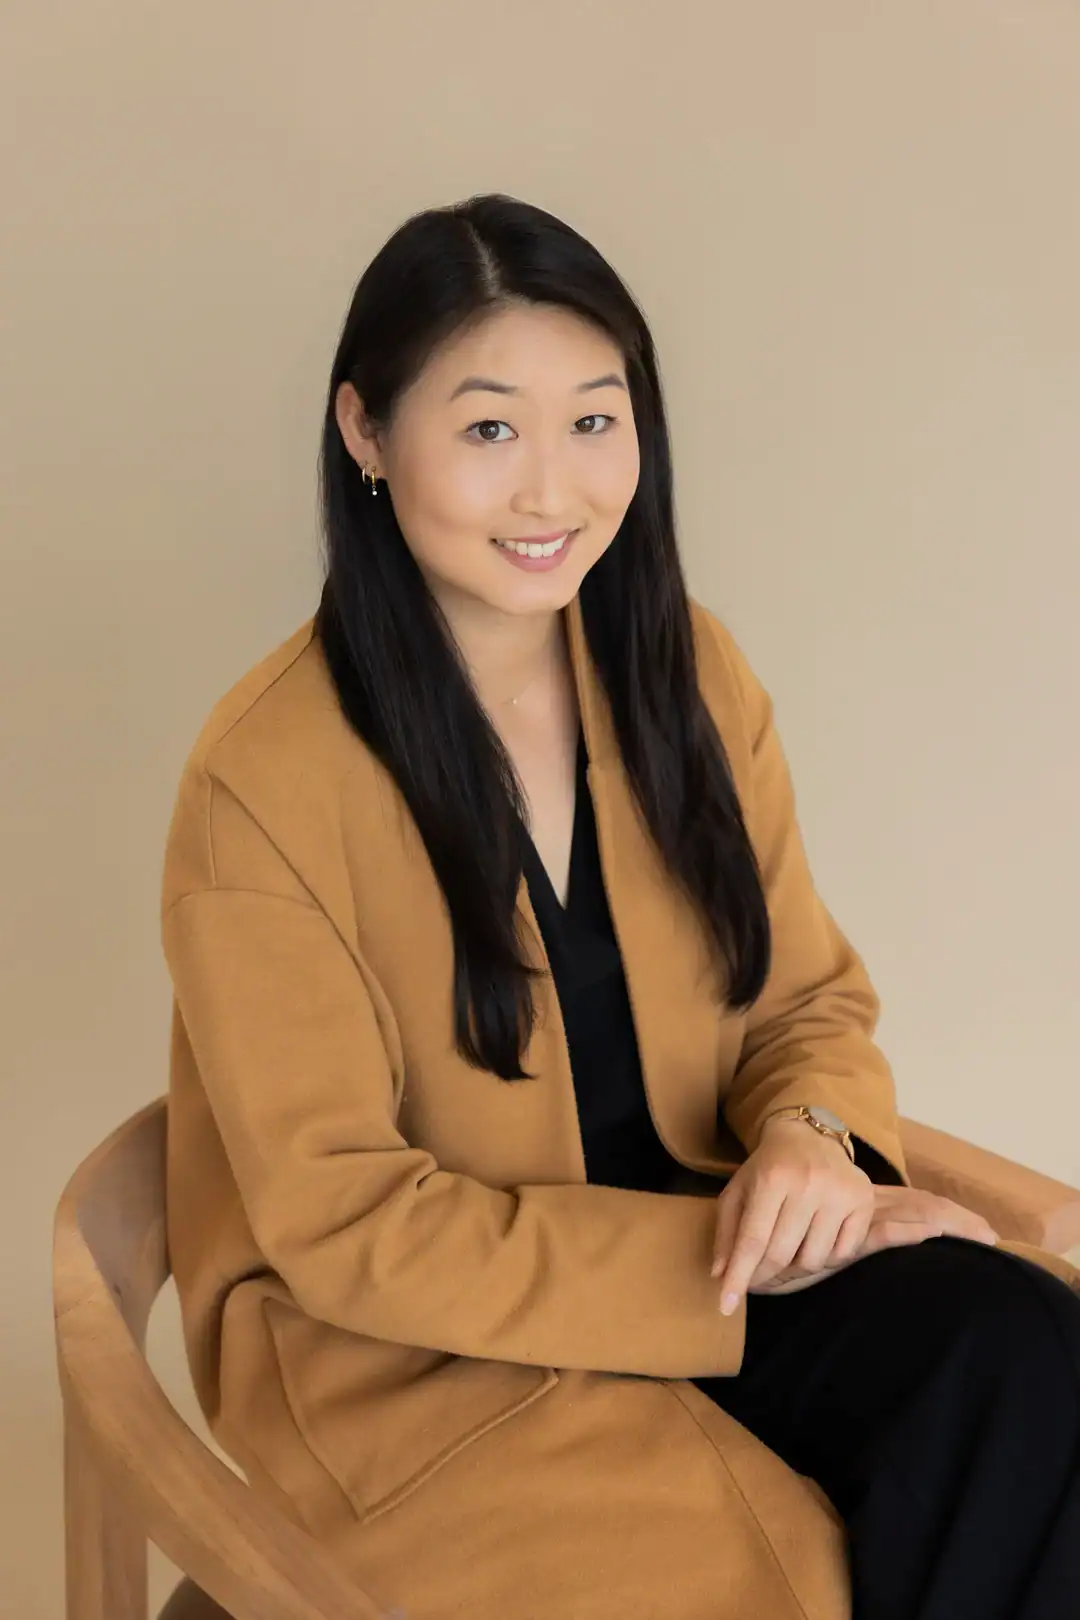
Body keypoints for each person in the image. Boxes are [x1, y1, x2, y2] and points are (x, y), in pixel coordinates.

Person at [161, 193, 1080, 1620]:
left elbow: (804, 1004)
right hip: (417, 1351)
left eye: (595, 420)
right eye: (488, 429)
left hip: (716, 1244)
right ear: (364, 433)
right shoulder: (262, 782)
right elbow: (344, 1223)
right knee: (768, 1577)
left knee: (1027, 1357)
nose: (553, 492)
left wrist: (812, 1136)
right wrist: (718, 1264)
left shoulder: (682, 674)